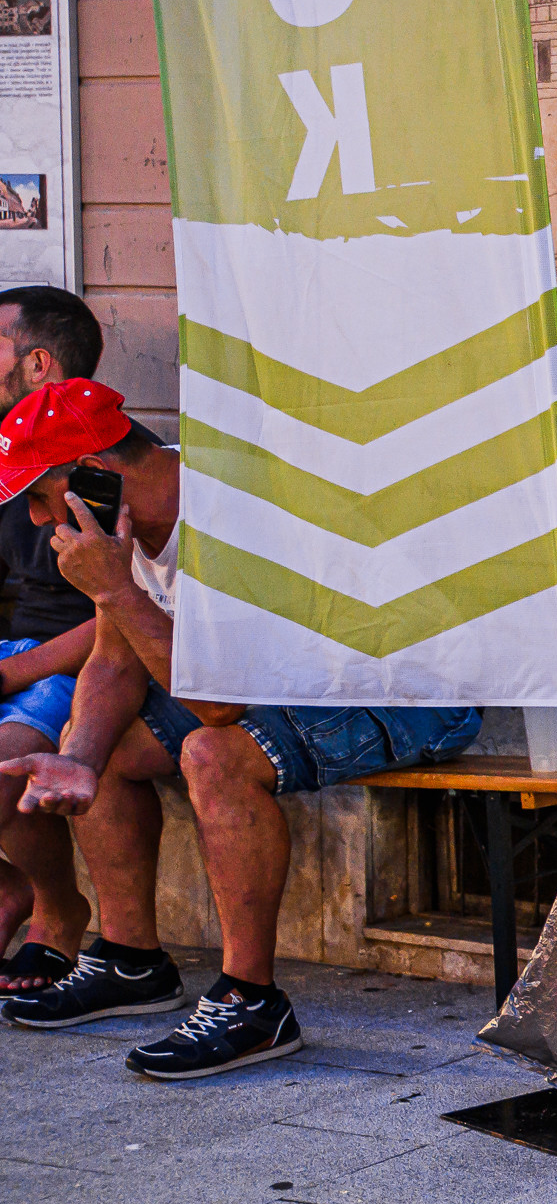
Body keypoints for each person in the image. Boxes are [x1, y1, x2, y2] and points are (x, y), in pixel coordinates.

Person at [0, 380, 484, 1077]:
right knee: (103, 742)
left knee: (213, 753)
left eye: (42, 498)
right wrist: (77, 755)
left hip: (403, 685)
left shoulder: (234, 508)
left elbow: (219, 708)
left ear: (94, 478)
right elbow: (113, 659)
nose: (45, 523)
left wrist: (114, 587)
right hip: (289, 679)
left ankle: (253, 1002)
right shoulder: (123, 524)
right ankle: (132, 962)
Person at [0, 287, 110, 993]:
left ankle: (54, 909)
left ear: (38, 364)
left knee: (5, 768)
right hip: (10, 657)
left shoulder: (101, 467)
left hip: (77, 661)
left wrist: (16, 675)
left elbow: (132, 610)